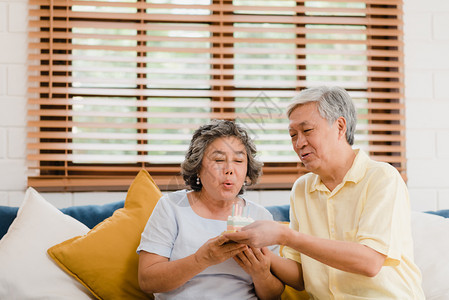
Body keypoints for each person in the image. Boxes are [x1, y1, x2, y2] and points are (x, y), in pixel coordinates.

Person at [225, 86, 425, 299]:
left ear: (339, 127)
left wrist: (285, 235)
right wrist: (259, 254)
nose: (299, 143)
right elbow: (301, 277)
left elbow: (369, 262)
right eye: (293, 135)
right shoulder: (302, 189)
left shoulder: (382, 178)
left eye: (307, 131)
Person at [137, 120, 284, 300]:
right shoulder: (170, 207)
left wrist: (261, 273)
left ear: (247, 171)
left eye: (238, 160)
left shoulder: (259, 216)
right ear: (198, 168)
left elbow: (274, 295)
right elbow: (147, 281)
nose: (229, 170)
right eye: (219, 160)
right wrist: (202, 259)